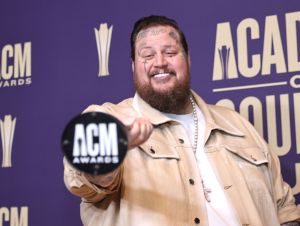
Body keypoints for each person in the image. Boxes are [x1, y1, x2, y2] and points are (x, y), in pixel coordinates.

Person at [64, 15, 300, 226]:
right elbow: (84, 181)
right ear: (134, 67)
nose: (160, 62)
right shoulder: (110, 120)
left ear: (187, 60)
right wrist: (112, 146)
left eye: (170, 52)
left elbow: (284, 210)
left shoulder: (236, 124)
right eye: (147, 55)